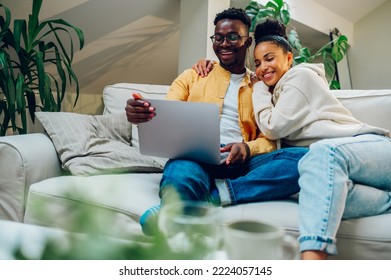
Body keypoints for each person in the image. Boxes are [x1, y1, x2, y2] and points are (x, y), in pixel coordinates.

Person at [193, 18, 391, 260]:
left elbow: (273, 127)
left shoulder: (300, 77)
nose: (263, 67)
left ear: (288, 58)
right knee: (320, 188)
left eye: (269, 58)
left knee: (321, 152)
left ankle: (311, 261)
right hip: (339, 169)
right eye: (257, 63)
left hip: (372, 150)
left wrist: (258, 89)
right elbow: (272, 143)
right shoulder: (274, 94)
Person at [125, 8, 308, 236]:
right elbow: (164, 114)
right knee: (180, 171)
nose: (224, 44)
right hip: (196, 160)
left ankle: (209, 197)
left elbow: (271, 140)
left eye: (233, 37)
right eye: (218, 37)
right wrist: (141, 114)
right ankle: (182, 206)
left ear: (247, 41)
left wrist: (247, 148)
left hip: (243, 165)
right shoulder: (193, 76)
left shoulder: (261, 85)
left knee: (305, 159)